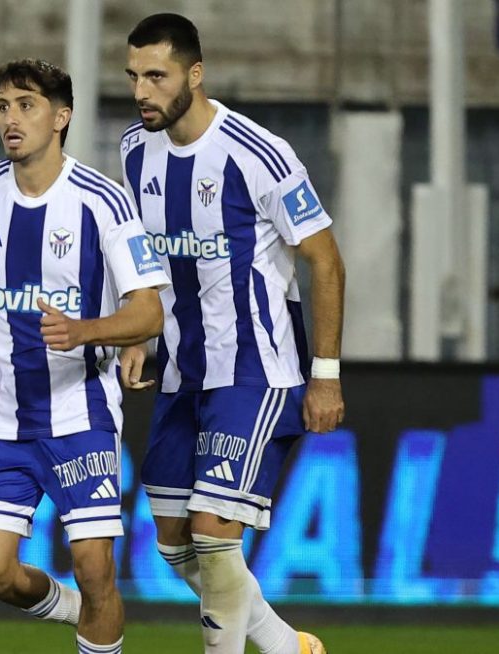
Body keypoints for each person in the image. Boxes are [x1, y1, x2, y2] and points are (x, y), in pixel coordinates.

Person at [118, 14, 346, 654]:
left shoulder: (258, 153)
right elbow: (144, 258)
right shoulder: (134, 152)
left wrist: (325, 377)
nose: (142, 92)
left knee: (213, 533)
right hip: (182, 371)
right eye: (133, 77)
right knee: (173, 542)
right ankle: (287, 647)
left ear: (195, 74)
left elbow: (325, 260)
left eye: (157, 76)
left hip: (256, 370)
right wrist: (136, 335)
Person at [0, 59, 169, 654]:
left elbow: (150, 312)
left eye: (26, 105)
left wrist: (85, 331)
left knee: (96, 570)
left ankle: (91, 606)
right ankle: (74, 610)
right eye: (2, 107)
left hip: (78, 415)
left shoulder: (105, 201)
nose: (10, 120)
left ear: (61, 117)